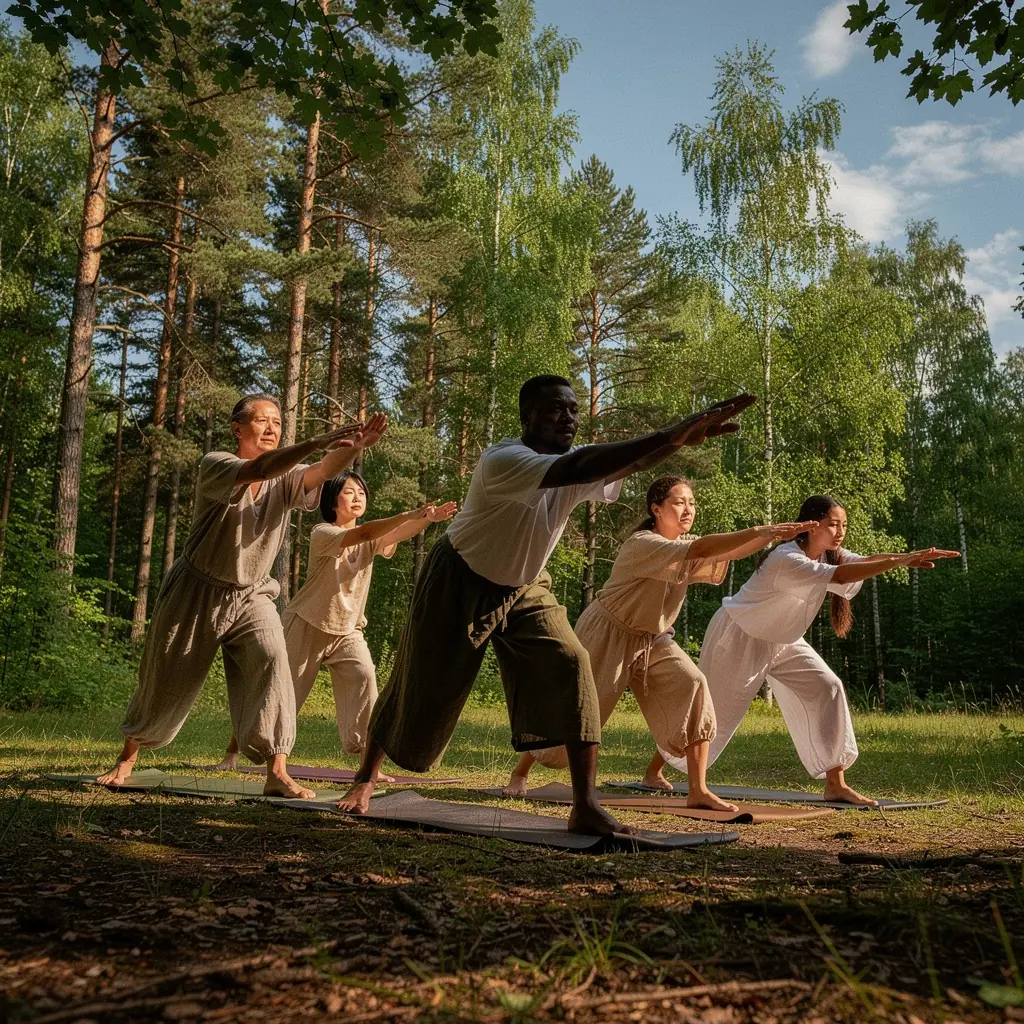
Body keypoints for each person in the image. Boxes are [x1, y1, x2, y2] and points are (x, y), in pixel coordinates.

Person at [337, 374, 756, 835]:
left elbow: (623, 466)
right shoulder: (505, 460)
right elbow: (582, 467)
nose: (568, 418)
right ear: (528, 417)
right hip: (460, 578)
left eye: (574, 410)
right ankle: (365, 779)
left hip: (525, 585)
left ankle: (585, 804)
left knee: (572, 662)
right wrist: (669, 434)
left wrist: (677, 441)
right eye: (556, 409)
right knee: (421, 679)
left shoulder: (574, 463)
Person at [96, 396, 388, 799]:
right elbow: (259, 468)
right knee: (166, 678)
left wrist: (353, 448)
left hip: (253, 593)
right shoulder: (216, 464)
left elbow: (322, 470)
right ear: (237, 428)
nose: (271, 428)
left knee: (272, 659)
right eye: (262, 421)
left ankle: (277, 771)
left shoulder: (288, 478)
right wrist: (317, 442)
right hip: (197, 590)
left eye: (277, 422)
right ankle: (127, 757)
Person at [502, 475, 818, 810]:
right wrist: (763, 531)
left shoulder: (686, 546)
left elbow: (730, 549)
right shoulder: (644, 544)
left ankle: (698, 790)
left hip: (654, 638)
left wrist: (771, 535)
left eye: (692, 503)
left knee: (693, 684)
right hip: (609, 632)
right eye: (679, 502)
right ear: (657, 509)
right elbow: (702, 548)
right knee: (577, 708)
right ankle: (521, 772)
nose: (688, 509)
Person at [661, 494, 959, 806]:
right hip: (740, 634)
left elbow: (865, 561)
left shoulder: (830, 555)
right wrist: (900, 561)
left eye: (844, 525)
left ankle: (836, 783)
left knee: (828, 687)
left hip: (784, 640)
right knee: (713, 710)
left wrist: (907, 555)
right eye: (833, 524)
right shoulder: (785, 559)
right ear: (813, 526)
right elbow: (843, 577)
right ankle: (656, 769)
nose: (840, 531)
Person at [216, 472, 457, 770]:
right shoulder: (324, 533)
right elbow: (366, 533)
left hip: (347, 630)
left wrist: (428, 520)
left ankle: (368, 764)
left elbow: (397, 533)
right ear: (332, 501)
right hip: (306, 624)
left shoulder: (373, 538)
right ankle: (233, 753)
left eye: (361, 493)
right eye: (349, 492)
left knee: (365, 678)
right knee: (278, 693)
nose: (358, 497)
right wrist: (412, 513)